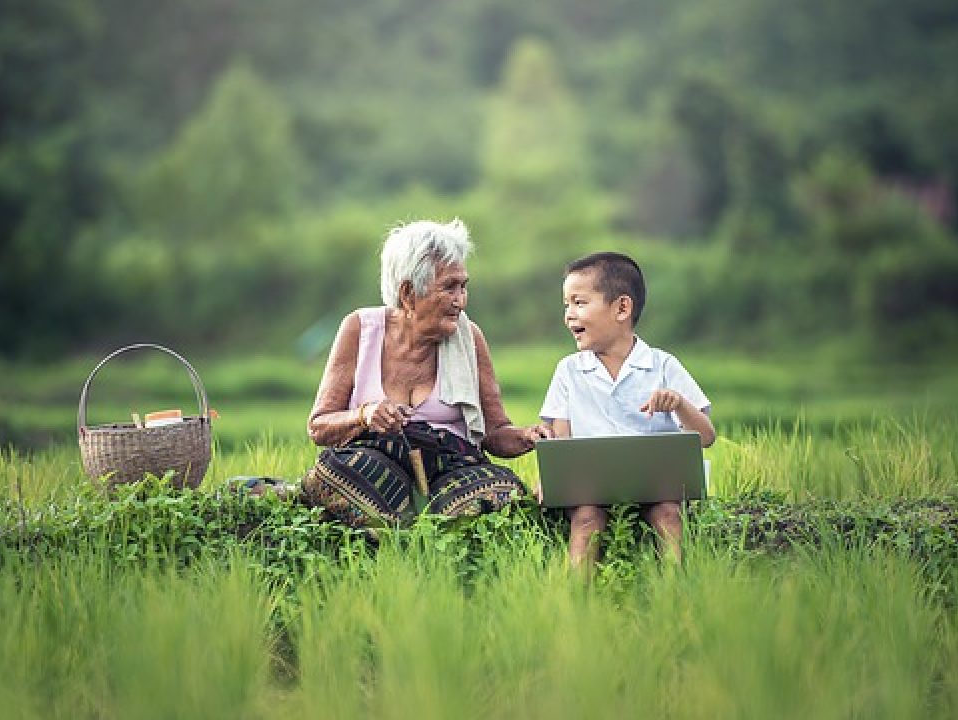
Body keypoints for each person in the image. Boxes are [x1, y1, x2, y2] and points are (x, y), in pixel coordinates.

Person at [303, 219, 549, 532]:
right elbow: (319, 427)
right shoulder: (360, 329)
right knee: (340, 473)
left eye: (464, 286)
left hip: (450, 469)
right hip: (378, 467)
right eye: (450, 287)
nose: (461, 300)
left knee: (502, 494)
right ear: (408, 292)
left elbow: (493, 431)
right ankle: (409, 528)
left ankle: (410, 527)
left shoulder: (469, 338)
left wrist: (526, 436)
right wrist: (364, 416)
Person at [539, 251, 716, 571]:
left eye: (579, 303)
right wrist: (548, 477)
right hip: (591, 487)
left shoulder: (662, 366)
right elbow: (560, 439)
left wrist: (678, 403)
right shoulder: (569, 371)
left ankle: (676, 591)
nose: (569, 315)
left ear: (622, 307)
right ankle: (576, 599)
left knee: (667, 515)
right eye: (566, 305)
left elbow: (705, 436)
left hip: (658, 485)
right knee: (585, 518)